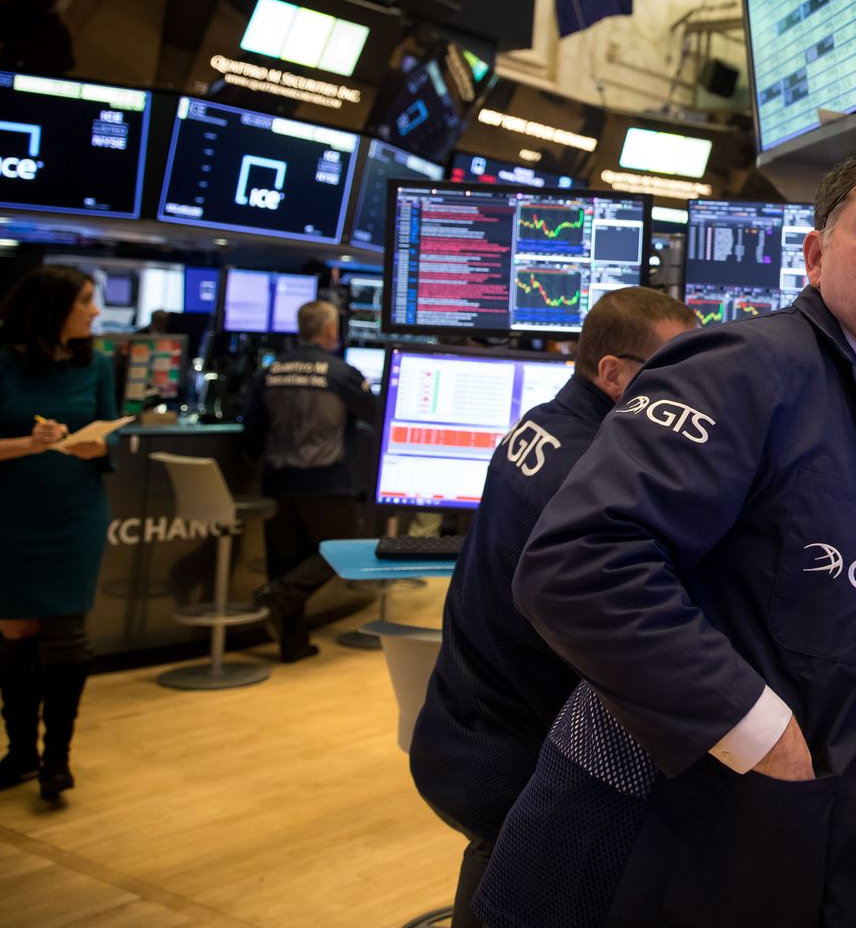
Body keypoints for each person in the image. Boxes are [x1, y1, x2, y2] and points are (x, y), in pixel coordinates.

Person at [481, 147, 856, 928]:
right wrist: (764, 738)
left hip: (801, 855)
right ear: (815, 255)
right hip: (675, 855)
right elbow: (579, 565)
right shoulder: (740, 367)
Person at [408, 287, 698, 928]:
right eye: (675, 370)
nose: (693, 390)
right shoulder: (591, 472)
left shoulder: (544, 421)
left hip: (462, 727)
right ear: (614, 373)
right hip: (507, 760)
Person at [0, 265, 113, 801]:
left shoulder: (97, 365)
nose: (94, 310)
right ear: (51, 307)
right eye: (84, 301)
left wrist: (92, 444)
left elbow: (109, 434)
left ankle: (57, 759)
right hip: (12, 516)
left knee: (69, 637)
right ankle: (19, 754)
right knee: (19, 634)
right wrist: (26, 444)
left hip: (76, 512)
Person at [243, 299, 380, 662]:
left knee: (286, 560)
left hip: (278, 480)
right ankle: (280, 593)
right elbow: (376, 414)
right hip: (328, 480)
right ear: (331, 331)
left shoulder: (270, 372)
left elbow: (251, 431)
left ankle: (293, 644)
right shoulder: (339, 373)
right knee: (347, 553)